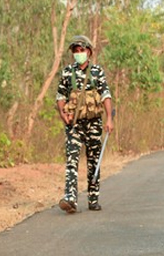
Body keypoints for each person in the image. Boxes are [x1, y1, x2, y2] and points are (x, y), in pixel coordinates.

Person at [56, 35, 114, 214]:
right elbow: (60, 97)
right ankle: (70, 199)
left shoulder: (97, 71)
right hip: (74, 124)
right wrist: (63, 114)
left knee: (93, 162)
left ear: (88, 51)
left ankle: (93, 198)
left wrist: (109, 119)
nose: (78, 54)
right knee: (72, 161)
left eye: (81, 50)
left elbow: (105, 95)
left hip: (94, 124)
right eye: (75, 51)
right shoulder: (67, 72)